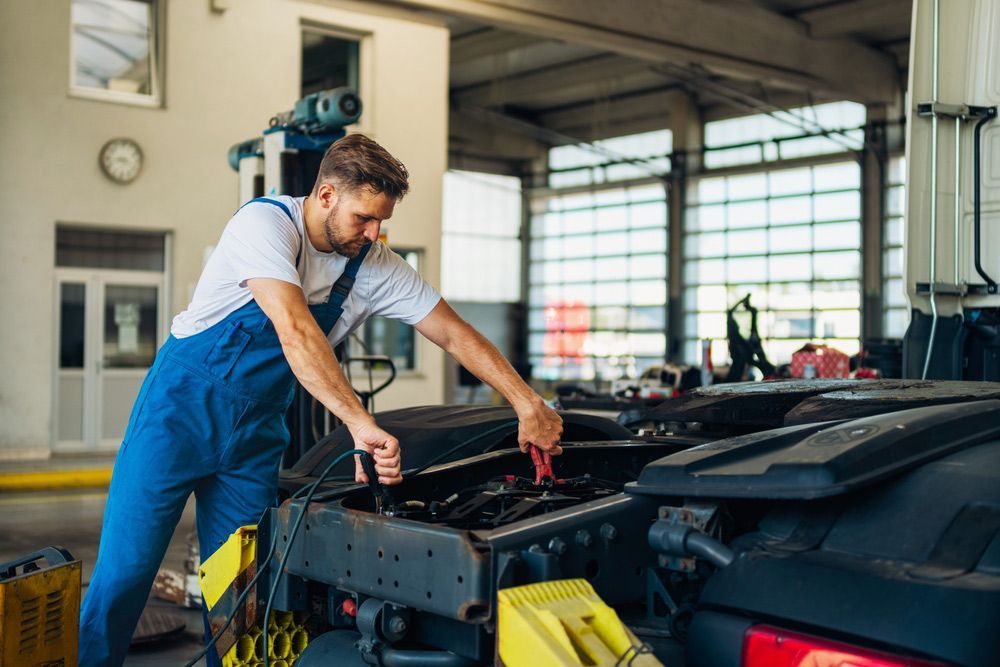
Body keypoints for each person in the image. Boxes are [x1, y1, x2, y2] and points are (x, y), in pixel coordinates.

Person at [78, 134, 563, 666]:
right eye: (364, 218)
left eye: (382, 220)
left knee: (243, 589)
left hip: (255, 436)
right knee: (125, 574)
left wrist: (526, 402)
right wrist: (360, 423)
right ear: (327, 195)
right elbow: (295, 331)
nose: (375, 233)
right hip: (177, 418)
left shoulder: (374, 263)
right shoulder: (263, 226)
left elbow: (453, 333)